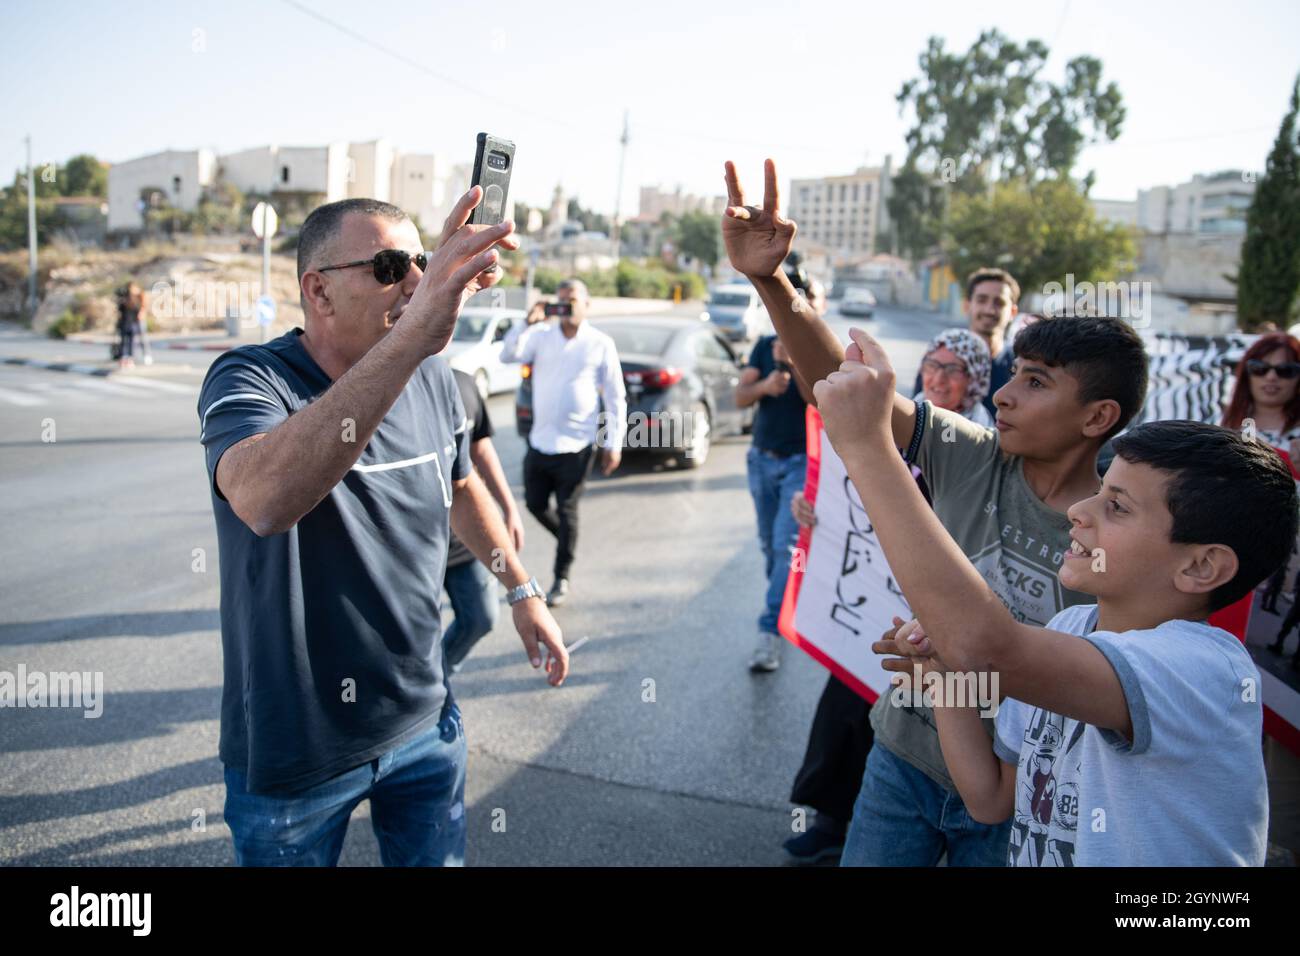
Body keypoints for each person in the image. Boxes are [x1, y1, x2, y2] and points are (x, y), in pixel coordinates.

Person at [720, 158, 1148, 867]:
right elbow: (841, 385)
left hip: (1018, 792)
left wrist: (953, 668)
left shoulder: (1120, 537)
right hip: (902, 756)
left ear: (1098, 416)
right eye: (1010, 376)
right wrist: (772, 282)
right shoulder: (971, 452)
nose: (1005, 395)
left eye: (1035, 383)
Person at [198, 192, 568, 867]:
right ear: (319, 290)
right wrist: (413, 339)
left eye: (422, 262)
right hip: (297, 753)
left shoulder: (430, 376)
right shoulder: (253, 376)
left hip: (426, 724)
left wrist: (522, 590)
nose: (417, 282)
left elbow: (459, 487)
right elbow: (264, 500)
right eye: (393, 265)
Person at [837, 378, 1295, 864]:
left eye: (1116, 506)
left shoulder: (1202, 668)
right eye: (1099, 492)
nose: (1078, 511)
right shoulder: (1070, 626)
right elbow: (992, 799)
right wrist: (941, 678)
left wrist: (867, 447)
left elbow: (987, 647)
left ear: (1201, 566)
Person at [782, 324, 994, 862]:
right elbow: (846, 479)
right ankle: (831, 818)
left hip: (930, 614)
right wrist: (814, 509)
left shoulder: (982, 448)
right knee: (846, 705)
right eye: (933, 363)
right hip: (872, 598)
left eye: (955, 368)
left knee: (916, 720)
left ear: (977, 380)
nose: (940, 377)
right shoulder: (890, 419)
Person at [499, 279, 627, 608]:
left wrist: (614, 443)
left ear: (586, 304)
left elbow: (615, 397)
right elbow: (507, 354)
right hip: (540, 441)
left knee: (567, 509)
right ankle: (567, 542)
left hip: (578, 444)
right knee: (535, 504)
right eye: (562, 300)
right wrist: (527, 322)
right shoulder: (540, 337)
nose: (566, 306)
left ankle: (561, 574)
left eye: (572, 301)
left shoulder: (600, 343)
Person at [734, 280, 822, 673]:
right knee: (769, 546)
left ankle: (770, 630)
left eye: (807, 300)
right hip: (761, 459)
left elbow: (816, 400)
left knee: (787, 548)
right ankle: (785, 603)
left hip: (801, 464)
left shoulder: (820, 349)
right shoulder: (764, 343)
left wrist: (790, 363)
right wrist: (766, 384)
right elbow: (740, 396)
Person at [442, 367, 527, 673]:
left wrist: (509, 507)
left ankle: (439, 675)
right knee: (407, 638)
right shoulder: (393, 385)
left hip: (464, 540)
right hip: (413, 545)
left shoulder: (463, 383)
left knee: (482, 616)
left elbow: (481, 449)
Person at [911, 269, 1019, 418]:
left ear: (1013, 312)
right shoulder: (940, 356)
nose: (989, 310)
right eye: (982, 300)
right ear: (967, 306)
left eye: (999, 303)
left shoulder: (1020, 366)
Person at [115, 282, 153, 369]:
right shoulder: (126, 299)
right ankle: (125, 358)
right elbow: (120, 309)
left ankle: (146, 355)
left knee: (142, 339)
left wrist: (141, 313)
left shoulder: (140, 296)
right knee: (126, 342)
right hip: (127, 322)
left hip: (137, 321)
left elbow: (142, 307)